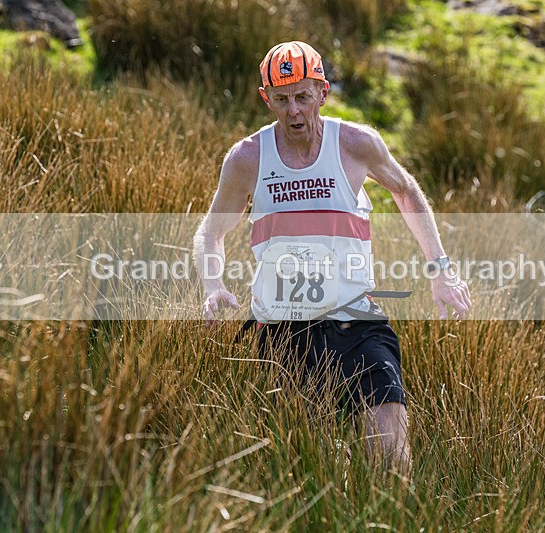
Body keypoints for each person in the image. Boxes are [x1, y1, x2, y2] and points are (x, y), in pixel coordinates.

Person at [193, 41, 471, 472]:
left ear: (323, 92)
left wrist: (441, 270)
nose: (294, 112)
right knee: (300, 470)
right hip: (280, 333)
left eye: (303, 97)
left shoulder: (356, 144)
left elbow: (405, 189)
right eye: (282, 100)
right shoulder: (248, 158)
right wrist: (213, 285)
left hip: (357, 322)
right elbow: (211, 231)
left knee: (391, 461)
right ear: (266, 98)